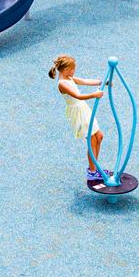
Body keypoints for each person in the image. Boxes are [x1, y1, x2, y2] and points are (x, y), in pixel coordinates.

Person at [50, 55, 107, 183]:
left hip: (84, 110)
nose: (73, 71)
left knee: (99, 136)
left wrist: (101, 82)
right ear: (64, 70)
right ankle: (92, 172)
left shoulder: (69, 77)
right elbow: (78, 96)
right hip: (78, 113)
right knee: (92, 140)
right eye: (72, 69)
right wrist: (94, 94)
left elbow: (85, 81)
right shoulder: (62, 84)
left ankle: (95, 167)